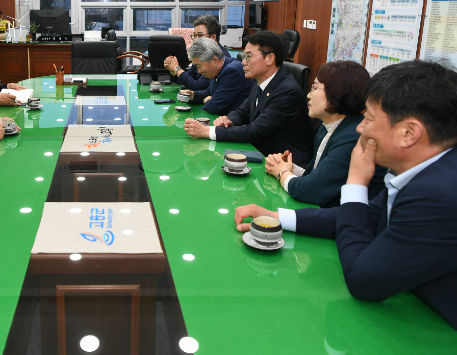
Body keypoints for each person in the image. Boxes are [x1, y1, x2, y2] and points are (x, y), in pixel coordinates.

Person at [235, 60, 457, 330]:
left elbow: (363, 281)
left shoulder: (436, 194)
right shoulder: (428, 170)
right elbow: (368, 215)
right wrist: (276, 216)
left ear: (409, 133)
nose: (361, 128)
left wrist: (356, 182)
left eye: (370, 119)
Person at [265, 61, 387, 207]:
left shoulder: (353, 137)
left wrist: (282, 173)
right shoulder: (327, 127)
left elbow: (310, 191)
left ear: (337, 93)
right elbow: (317, 175)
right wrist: (289, 168)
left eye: (315, 88)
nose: (308, 95)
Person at [184, 31, 314, 167]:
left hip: (288, 166)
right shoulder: (261, 82)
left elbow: (255, 132)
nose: (243, 62)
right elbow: (242, 112)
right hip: (265, 157)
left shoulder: (287, 91)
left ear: (269, 58)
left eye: (248, 56)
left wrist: (207, 131)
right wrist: (228, 120)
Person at [178, 38, 253, 116]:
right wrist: (193, 95)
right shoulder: (219, 68)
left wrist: (207, 101)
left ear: (215, 60)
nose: (199, 71)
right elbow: (210, 91)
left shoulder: (232, 71)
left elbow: (214, 106)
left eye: (199, 66)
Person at [163, 14, 230, 90]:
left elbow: (198, 87)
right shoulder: (200, 53)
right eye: (194, 35)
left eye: (200, 35)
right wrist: (173, 71)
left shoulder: (220, 57)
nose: (195, 39)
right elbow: (189, 79)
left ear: (213, 37)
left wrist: (177, 69)